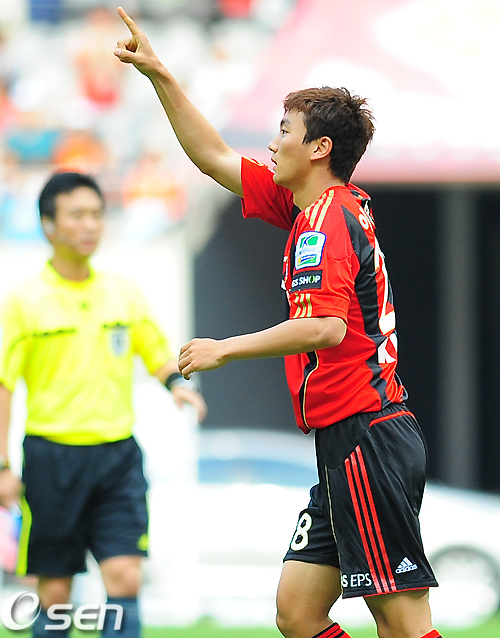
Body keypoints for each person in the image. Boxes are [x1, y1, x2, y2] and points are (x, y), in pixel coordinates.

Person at [114, 8, 442, 638]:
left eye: (284, 130)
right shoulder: (310, 207)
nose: (271, 142)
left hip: (367, 436)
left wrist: (224, 349)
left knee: (401, 622)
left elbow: (326, 328)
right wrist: (160, 75)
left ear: (319, 148)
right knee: (298, 613)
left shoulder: (326, 221)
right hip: (345, 440)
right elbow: (213, 156)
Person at [0, 170, 206, 638]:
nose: (90, 225)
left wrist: (177, 384)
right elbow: (4, 387)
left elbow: (154, 351)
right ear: (48, 225)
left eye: (97, 214)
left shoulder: (122, 293)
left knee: (125, 577)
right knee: (54, 591)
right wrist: (4, 466)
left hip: (117, 457)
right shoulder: (23, 301)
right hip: (52, 458)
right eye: (77, 215)